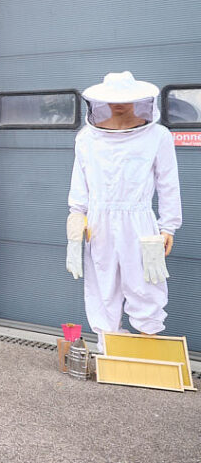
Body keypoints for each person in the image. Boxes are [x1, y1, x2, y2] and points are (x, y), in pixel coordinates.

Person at [66, 72, 182, 350]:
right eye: (113, 100)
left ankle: (149, 350)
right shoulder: (86, 138)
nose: (119, 104)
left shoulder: (158, 136)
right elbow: (79, 182)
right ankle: (112, 352)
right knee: (103, 285)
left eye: (125, 99)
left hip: (141, 222)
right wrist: (75, 216)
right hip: (98, 222)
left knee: (146, 282)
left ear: (138, 99)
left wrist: (168, 226)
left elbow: (168, 183)